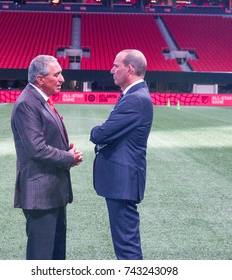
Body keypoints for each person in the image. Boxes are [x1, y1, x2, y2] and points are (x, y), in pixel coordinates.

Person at [11, 55, 83, 260]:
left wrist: (63, 148)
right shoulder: (27, 103)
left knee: (55, 254)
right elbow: (36, 149)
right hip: (40, 193)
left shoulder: (39, 100)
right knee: (41, 256)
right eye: (57, 74)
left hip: (51, 192)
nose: (62, 79)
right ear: (40, 79)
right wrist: (67, 157)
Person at [90, 49, 153, 260]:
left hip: (122, 181)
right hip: (122, 180)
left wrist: (95, 131)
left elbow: (102, 133)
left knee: (127, 246)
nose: (111, 70)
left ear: (130, 69)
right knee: (125, 243)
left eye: (116, 66)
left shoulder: (135, 99)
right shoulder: (133, 95)